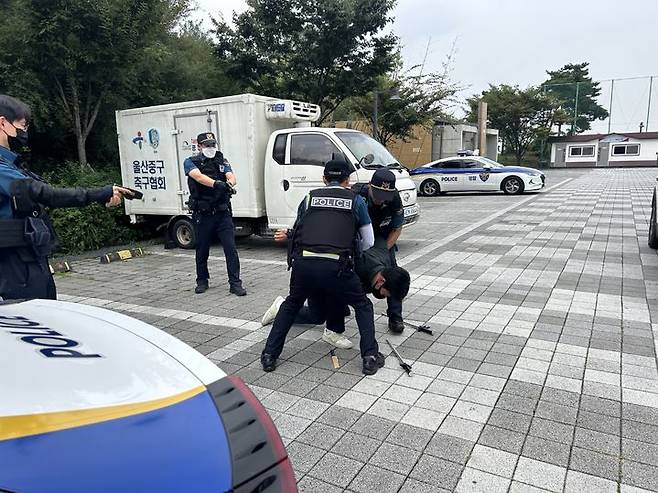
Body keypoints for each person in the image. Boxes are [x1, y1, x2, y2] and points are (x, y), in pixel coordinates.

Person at [260, 157, 387, 375]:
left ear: (324, 178)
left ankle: (269, 355)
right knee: (363, 305)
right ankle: (369, 356)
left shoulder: (309, 198)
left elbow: (298, 229)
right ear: (348, 180)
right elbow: (369, 242)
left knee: (291, 305)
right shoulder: (356, 201)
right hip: (337, 267)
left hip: (303, 264)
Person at [0, 94, 128, 300]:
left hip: (29, 256)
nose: (25, 132)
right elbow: (46, 194)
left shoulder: (12, 165)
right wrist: (99, 193)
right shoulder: (2, 169)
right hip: (14, 264)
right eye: (22, 126)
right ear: (3, 123)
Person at [262, 242, 412, 349]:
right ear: (381, 281)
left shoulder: (384, 263)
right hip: (319, 275)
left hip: (329, 272)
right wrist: (336, 327)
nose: (385, 296)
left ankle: (330, 319)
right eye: (387, 294)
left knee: (340, 302)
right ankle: (281, 308)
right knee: (318, 316)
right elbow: (336, 291)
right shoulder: (357, 267)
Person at [184, 132, 246, 296]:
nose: (210, 148)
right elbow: (197, 177)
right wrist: (216, 184)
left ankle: (235, 283)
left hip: (222, 213)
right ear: (199, 146)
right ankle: (202, 280)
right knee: (202, 249)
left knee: (230, 249)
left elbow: (231, 176)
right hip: (203, 214)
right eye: (206, 145)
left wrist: (229, 184)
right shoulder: (191, 162)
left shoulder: (221, 160)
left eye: (212, 144)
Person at [353, 168, 407, 332]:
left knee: (393, 275)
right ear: (370, 185)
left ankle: (395, 317)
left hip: (383, 239)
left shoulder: (394, 198)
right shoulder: (355, 194)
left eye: (384, 197)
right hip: (358, 238)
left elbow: (397, 228)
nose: (380, 200)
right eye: (377, 195)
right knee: (351, 274)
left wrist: (382, 252)